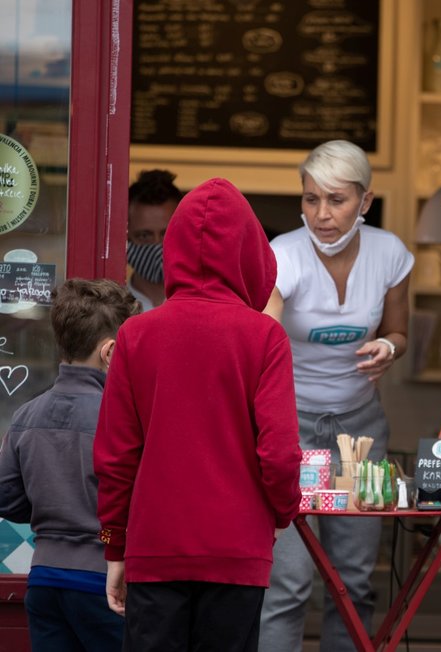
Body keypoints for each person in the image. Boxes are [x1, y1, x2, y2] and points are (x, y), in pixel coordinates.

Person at [94, 178, 302, 651]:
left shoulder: (135, 336)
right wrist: (281, 511)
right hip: (238, 548)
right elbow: (280, 454)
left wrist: (115, 546)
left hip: (154, 545)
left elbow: (115, 457)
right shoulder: (264, 337)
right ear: (250, 252)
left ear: (173, 249)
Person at [259, 140, 413, 652]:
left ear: (365, 201)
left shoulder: (389, 253)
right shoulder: (282, 255)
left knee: (352, 581)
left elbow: (400, 332)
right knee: (288, 581)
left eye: (336, 200)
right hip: (292, 429)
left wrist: (389, 347)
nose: (321, 215)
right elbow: (262, 342)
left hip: (360, 430)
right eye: (310, 199)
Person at [0, 278, 140, 651]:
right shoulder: (123, 420)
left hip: (44, 579)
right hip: (105, 581)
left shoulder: (27, 413)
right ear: (110, 352)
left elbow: (7, 498)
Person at [127, 169, 181, 311]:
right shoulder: (112, 310)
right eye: (145, 235)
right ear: (126, 237)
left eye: (167, 234)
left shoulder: (200, 307)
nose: (157, 245)